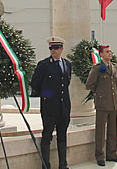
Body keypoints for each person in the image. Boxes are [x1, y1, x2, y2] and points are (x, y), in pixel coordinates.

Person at [30, 36, 72, 169]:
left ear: (62, 49)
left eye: (56, 48)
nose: (53, 51)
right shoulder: (44, 65)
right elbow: (35, 84)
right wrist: (48, 95)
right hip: (49, 107)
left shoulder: (67, 64)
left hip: (63, 106)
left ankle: (62, 164)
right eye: (51, 48)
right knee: (47, 136)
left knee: (62, 136)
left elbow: (66, 83)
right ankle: (46, 165)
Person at [85, 45, 117, 167]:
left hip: (113, 102)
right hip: (102, 103)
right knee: (100, 131)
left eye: (110, 51)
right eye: (107, 52)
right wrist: (100, 92)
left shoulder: (114, 67)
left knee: (113, 130)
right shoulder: (97, 68)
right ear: (101, 54)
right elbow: (90, 84)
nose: (109, 54)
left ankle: (112, 154)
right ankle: (100, 156)